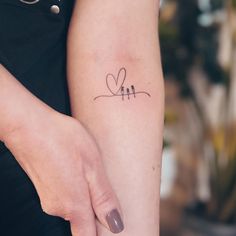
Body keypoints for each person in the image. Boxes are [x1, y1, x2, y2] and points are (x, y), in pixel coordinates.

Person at [0, 0, 164, 235]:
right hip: (40, 141)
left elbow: (120, 46)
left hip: (56, 164)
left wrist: (129, 226)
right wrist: (22, 124)